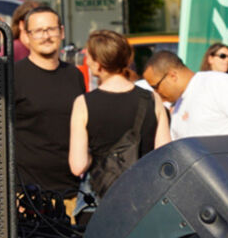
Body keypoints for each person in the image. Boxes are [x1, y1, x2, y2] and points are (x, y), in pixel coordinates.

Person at [68, 30, 169, 192]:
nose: (87, 62)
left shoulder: (83, 103)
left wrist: (95, 157)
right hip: (144, 193)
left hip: (101, 195)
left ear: (98, 64)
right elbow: (164, 154)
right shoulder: (152, 99)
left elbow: (77, 166)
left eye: (89, 57)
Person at [11, 3, 86, 199]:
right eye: (38, 31)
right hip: (27, 194)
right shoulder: (13, 76)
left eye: (51, 29)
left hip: (71, 191)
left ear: (62, 32)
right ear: (26, 36)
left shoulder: (74, 76)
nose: (46, 36)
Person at [142, 50, 228, 140]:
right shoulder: (177, 107)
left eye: (155, 86)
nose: (156, 92)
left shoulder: (217, 83)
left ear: (172, 76)